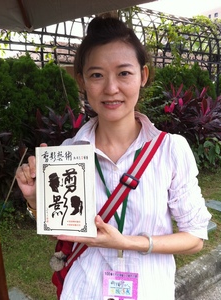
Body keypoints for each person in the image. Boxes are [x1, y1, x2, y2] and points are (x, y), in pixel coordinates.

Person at [16, 16, 211, 300]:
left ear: (142, 76)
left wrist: (128, 243)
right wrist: (36, 201)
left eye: (123, 73)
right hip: (83, 290)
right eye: (96, 75)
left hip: (149, 291)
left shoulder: (171, 150)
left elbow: (195, 238)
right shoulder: (67, 154)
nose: (110, 88)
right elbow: (64, 233)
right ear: (81, 80)